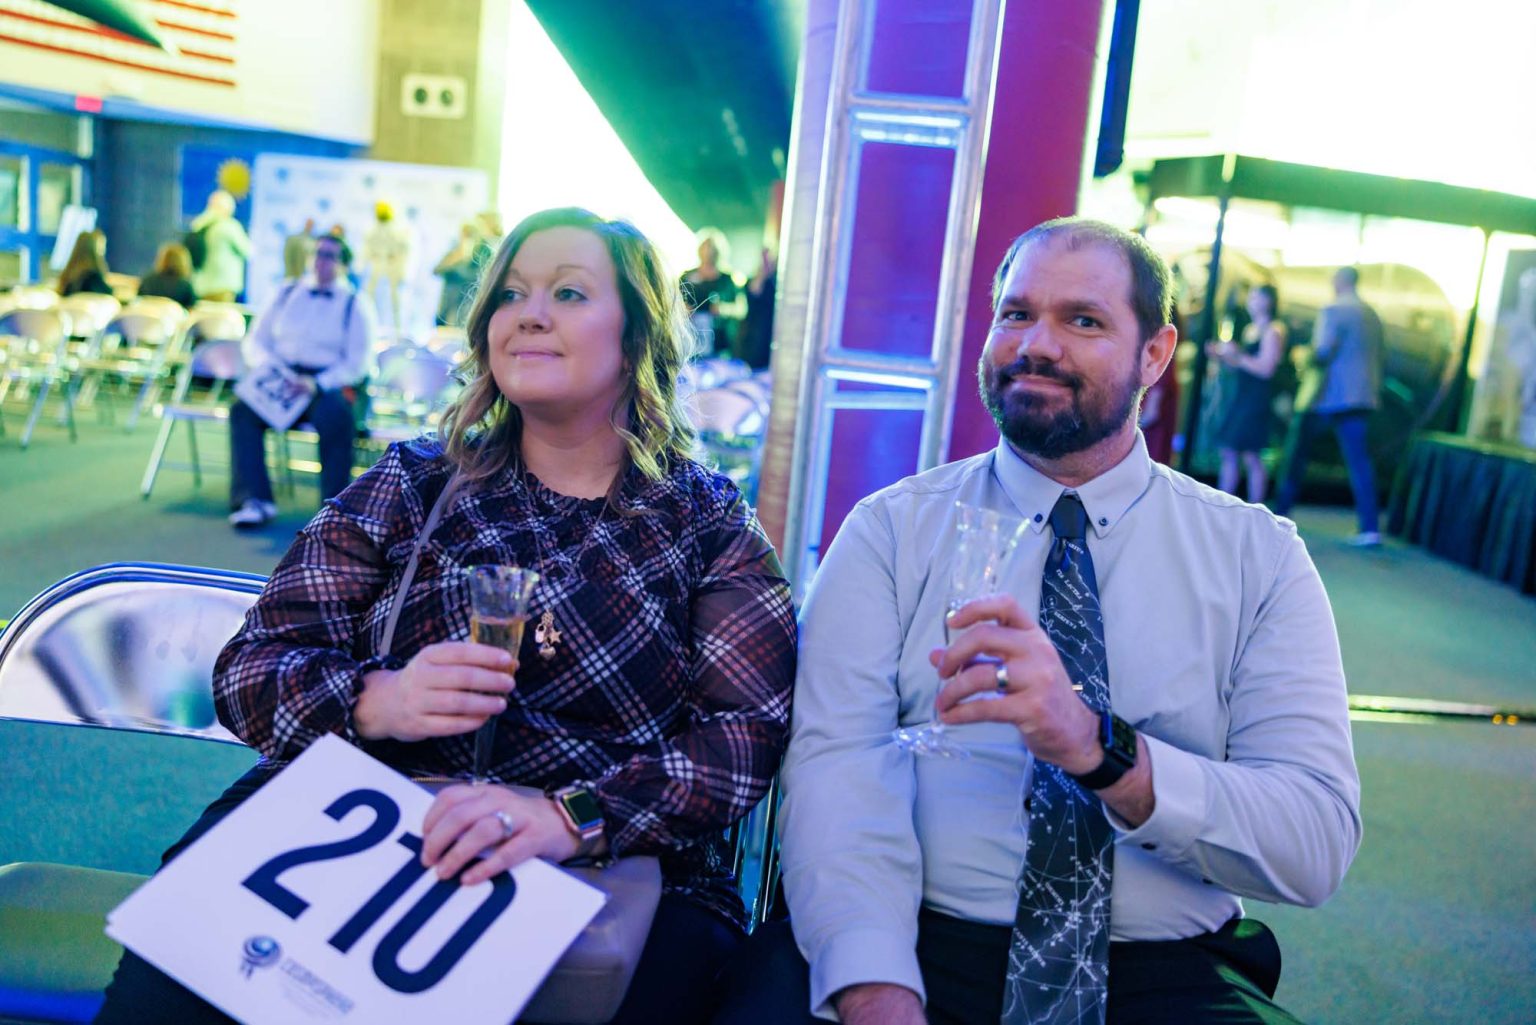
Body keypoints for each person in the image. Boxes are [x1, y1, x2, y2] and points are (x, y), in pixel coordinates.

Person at [94, 207, 797, 1025]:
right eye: (511, 294)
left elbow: (744, 735)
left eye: (569, 293)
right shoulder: (415, 484)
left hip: (610, 867)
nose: (529, 314)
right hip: (363, 818)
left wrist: (570, 816)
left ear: (637, 335)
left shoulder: (703, 521)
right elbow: (251, 666)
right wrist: (377, 699)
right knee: (185, 981)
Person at [716, 217, 1360, 1025]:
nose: (1037, 344)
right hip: (915, 940)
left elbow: (1314, 841)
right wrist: (876, 986)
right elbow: (835, 770)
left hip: (1161, 969)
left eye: (1082, 320)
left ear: (1154, 354)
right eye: (1016, 314)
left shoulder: (1257, 557)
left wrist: (1101, 750)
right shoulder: (891, 531)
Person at [226, 233, 374, 528]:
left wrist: (317, 383)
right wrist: (273, 371)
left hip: (326, 384)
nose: (321, 262)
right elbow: (256, 341)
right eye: (317, 254)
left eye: (329, 256)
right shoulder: (285, 292)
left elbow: (358, 363)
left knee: (337, 416)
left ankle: (333, 512)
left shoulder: (355, 304)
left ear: (343, 265)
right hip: (282, 377)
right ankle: (254, 499)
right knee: (242, 411)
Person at [1272, 267, 1385, 546]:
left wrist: (1302, 355)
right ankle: (1370, 527)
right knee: (1360, 463)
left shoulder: (1333, 310)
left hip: (1327, 396)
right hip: (1361, 396)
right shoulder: (1372, 314)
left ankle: (1279, 516)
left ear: (1339, 282)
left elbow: (1322, 352)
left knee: (1296, 455)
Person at [1207, 284, 1285, 502]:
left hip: (1257, 399)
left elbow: (1266, 368)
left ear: (1268, 301)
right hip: (1243, 395)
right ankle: (1224, 504)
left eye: (1255, 297)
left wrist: (1237, 355)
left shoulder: (1273, 330)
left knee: (1250, 455)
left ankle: (1255, 507)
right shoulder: (1250, 329)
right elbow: (1242, 366)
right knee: (1230, 451)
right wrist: (1223, 356)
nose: (1251, 302)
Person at [681, 227, 742, 357]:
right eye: (706, 248)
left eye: (712, 249)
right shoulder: (686, 277)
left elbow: (740, 308)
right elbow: (672, 303)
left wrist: (723, 309)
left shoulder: (726, 280)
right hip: (690, 341)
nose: (708, 252)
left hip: (719, 343)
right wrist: (683, 309)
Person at [187, 189, 252, 302]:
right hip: (223, 286)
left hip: (200, 286)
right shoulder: (229, 226)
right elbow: (248, 250)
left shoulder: (198, 224)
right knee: (221, 313)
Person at [362, 200, 413, 335]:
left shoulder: (399, 230)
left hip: (393, 264)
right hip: (378, 264)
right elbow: (366, 250)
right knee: (369, 296)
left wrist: (403, 271)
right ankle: (368, 327)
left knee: (396, 300)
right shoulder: (372, 230)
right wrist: (361, 265)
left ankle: (399, 331)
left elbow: (405, 251)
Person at [433, 221, 482, 326]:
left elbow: (476, 281)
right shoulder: (452, 254)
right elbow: (436, 271)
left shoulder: (477, 260)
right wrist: (455, 258)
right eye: (462, 235)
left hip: (463, 311)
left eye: (468, 235)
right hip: (445, 307)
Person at [135, 242, 198, 309]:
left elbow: (138, 301)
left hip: (146, 315)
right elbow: (191, 309)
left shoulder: (147, 280)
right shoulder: (185, 286)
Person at [55, 229, 112, 296]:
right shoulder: (92, 277)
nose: (103, 251)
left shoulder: (68, 275)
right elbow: (108, 292)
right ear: (94, 249)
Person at [281, 217, 317, 281]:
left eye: (311, 225)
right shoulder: (294, 239)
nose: (310, 226)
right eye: (308, 224)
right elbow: (288, 257)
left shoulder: (314, 240)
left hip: (309, 274)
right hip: (295, 275)